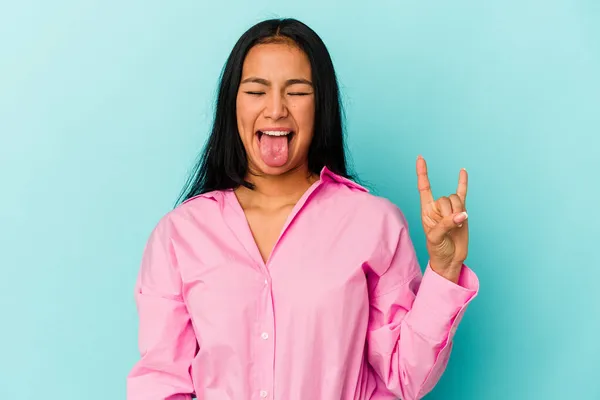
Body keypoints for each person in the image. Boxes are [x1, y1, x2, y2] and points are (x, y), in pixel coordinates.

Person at [126, 17, 479, 400]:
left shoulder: (373, 223)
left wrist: (444, 269)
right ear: (233, 105)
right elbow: (161, 384)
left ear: (320, 105)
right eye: (256, 91)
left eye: (296, 91)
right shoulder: (180, 235)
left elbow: (405, 375)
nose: (276, 109)